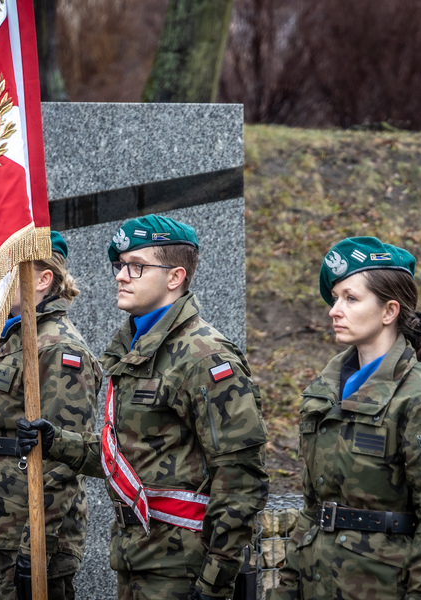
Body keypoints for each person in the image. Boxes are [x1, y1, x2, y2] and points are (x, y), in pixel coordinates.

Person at [17, 215, 270, 600]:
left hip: (186, 569)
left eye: (136, 266)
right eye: (119, 265)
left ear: (175, 277)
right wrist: (57, 443)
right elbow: (129, 461)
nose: (120, 275)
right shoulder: (136, 349)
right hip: (137, 558)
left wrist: (216, 582)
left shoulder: (205, 356)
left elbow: (241, 482)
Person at [268, 236, 421, 600]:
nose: (335, 309)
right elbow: (314, 509)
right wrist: (287, 589)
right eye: (335, 298)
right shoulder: (325, 393)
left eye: (350, 298)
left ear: (389, 311)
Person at [0, 231, 102, 600]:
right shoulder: (1, 340)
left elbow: (65, 457)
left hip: (29, 532)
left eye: (7, 268)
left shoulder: (59, 346)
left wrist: (35, 545)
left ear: (43, 278)